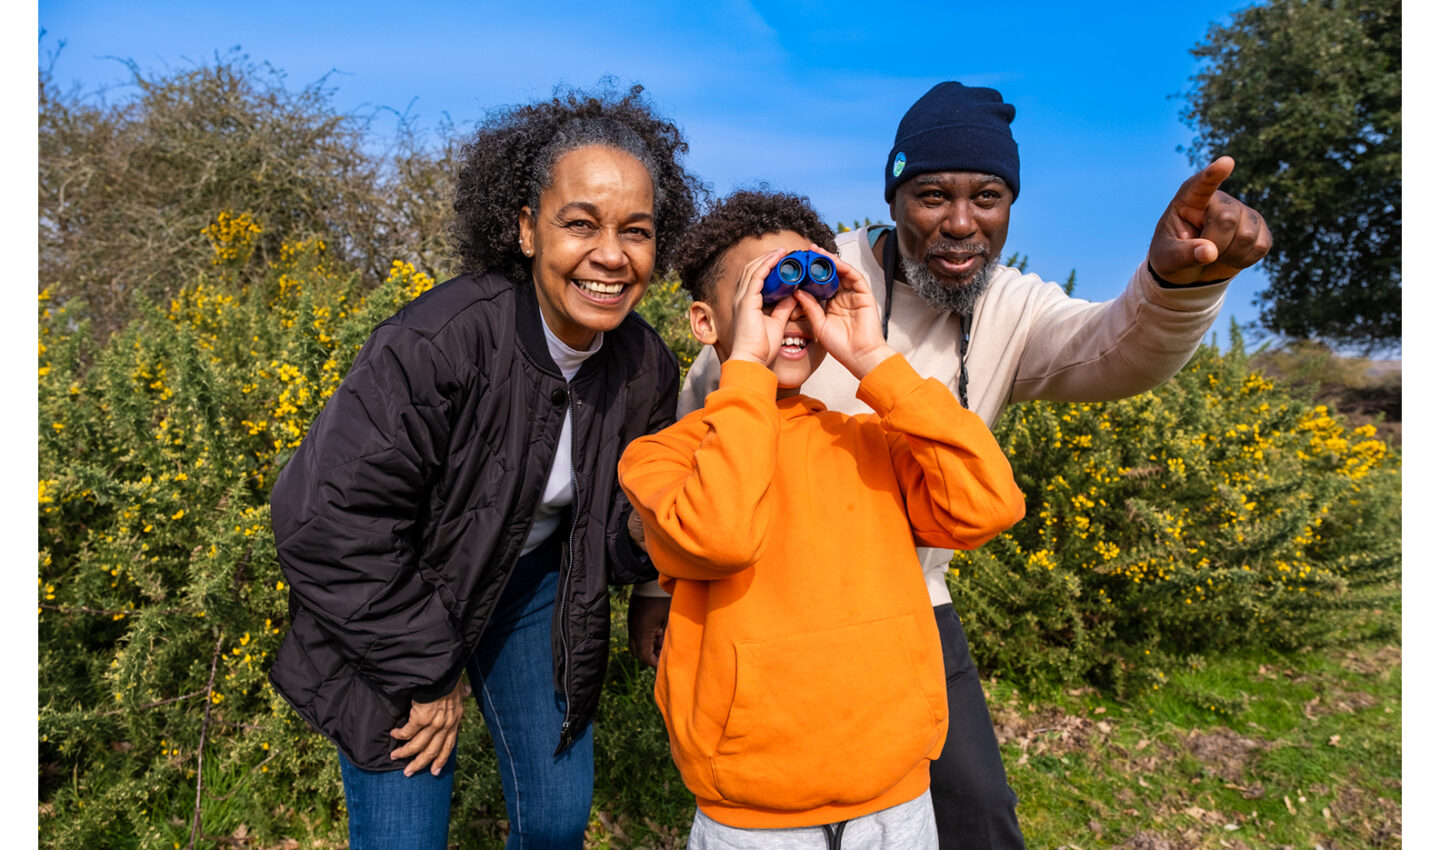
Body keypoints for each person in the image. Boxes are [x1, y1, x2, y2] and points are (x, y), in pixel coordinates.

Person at [633, 81, 1274, 849]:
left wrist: (1180, 283)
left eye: (989, 197)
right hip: (752, 606)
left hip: (903, 599)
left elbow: (1113, 350)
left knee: (979, 819)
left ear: (1010, 207)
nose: (961, 223)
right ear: (893, 200)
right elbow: (699, 443)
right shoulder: (809, 270)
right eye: (932, 195)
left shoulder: (1008, 303)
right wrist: (653, 586)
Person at [266, 84, 701, 849]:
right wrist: (429, 671)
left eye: (636, 230)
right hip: (397, 597)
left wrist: (651, 590)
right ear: (528, 228)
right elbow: (322, 521)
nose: (610, 255)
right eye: (580, 223)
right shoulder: (441, 341)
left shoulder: (644, 368)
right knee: (405, 837)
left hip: (533, 592)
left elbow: (639, 510)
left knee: (559, 819)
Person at [618, 189, 1026, 847]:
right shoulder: (667, 457)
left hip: (897, 796)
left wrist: (875, 362)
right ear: (705, 322)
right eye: (765, 296)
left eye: (811, 291)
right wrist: (746, 370)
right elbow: (721, 536)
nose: (792, 314)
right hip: (755, 812)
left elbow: (989, 504)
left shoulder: (870, 441)